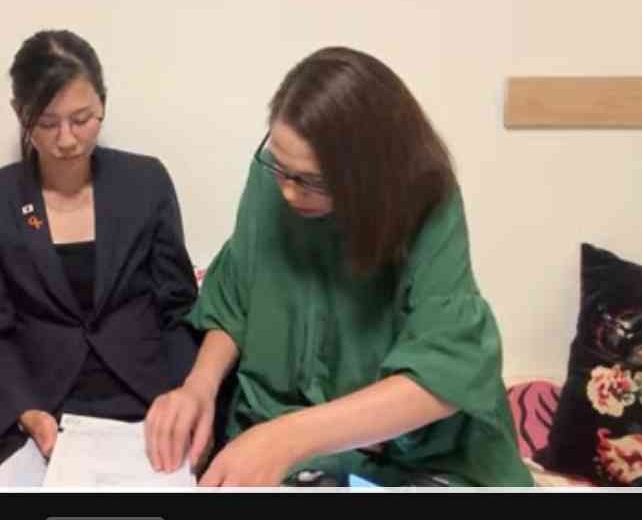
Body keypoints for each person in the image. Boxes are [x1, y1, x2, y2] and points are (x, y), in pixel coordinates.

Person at [145, 48, 532, 487]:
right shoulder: (274, 179)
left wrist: (288, 438)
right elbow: (235, 297)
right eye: (280, 168)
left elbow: (447, 370)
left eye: (312, 181)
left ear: (372, 175)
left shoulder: (427, 201)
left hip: (412, 447)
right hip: (287, 430)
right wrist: (199, 387)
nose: (288, 192)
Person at [0, 30, 199, 468]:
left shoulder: (146, 183)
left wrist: (182, 397)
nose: (67, 139)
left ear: (103, 103)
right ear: (19, 113)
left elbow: (178, 310)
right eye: (47, 123)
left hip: (145, 402)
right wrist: (25, 411)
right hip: (42, 409)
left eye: (82, 119)